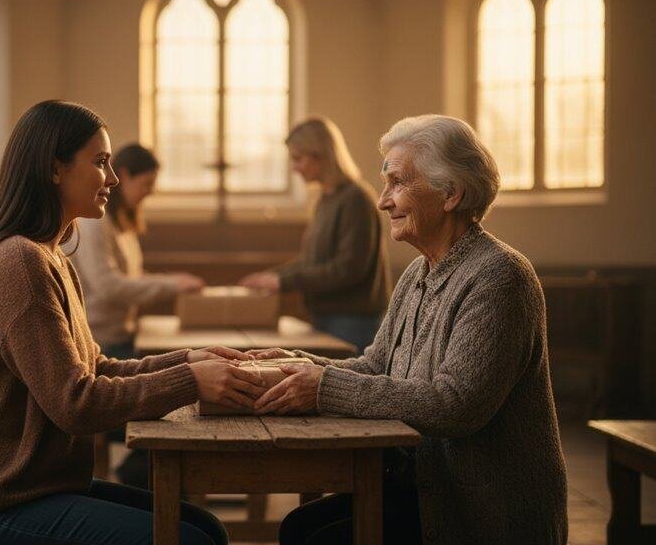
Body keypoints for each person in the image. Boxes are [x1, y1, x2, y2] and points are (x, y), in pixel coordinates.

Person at [0, 100, 268, 545]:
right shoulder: (20, 261)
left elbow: (95, 368)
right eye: (101, 162)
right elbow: (76, 404)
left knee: (206, 528)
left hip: (31, 486)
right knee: (194, 541)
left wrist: (188, 359)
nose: (113, 178)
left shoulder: (51, 256)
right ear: (54, 169)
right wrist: (190, 381)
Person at [250, 115, 568, 544]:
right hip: (422, 489)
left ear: (450, 194)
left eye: (398, 183)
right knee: (300, 527)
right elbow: (376, 364)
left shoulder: (500, 276)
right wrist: (297, 364)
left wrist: (322, 387)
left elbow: (457, 405)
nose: (383, 201)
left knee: (312, 538)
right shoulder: (419, 271)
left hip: (480, 512)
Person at [71, 143, 204, 489]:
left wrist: (170, 282)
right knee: (173, 412)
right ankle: (144, 481)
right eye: (145, 185)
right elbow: (109, 286)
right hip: (103, 337)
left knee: (179, 400)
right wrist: (171, 285)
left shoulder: (122, 223)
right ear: (124, 176)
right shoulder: (95, 225)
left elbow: (131, 280)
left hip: (123, 333)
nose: (148, 194)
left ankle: (164, 484)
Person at [240, 117, 391, 354]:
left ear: (319, 155)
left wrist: (283, 282)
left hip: (352, 321)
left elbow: (348, 269)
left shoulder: (355, 198)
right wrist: (273, 276)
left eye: (298, 159)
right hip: (325, 315)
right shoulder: (325, 199)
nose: (294, 168)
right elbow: (311, 261)